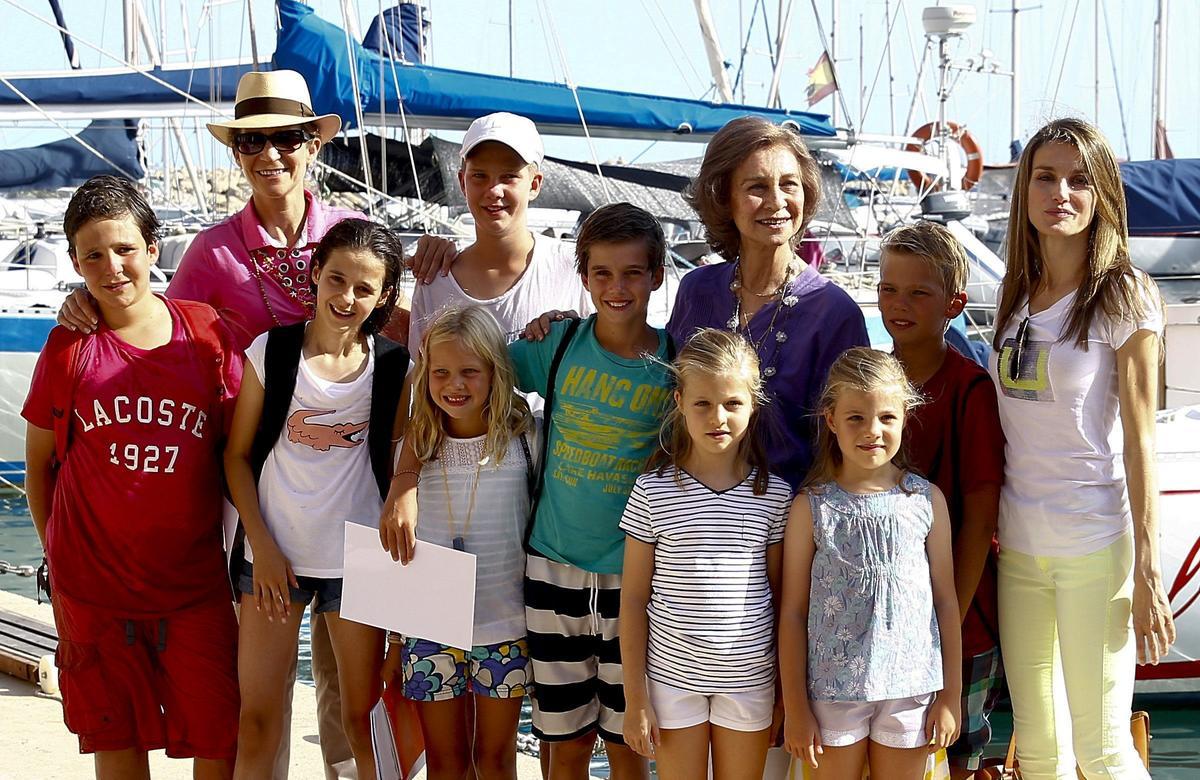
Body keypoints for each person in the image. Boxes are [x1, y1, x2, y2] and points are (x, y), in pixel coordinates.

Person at [56, 69, 383, 780]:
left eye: (287, 138)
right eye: (254, 141)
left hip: (350, 504)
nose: (271, 154)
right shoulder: (211, 255)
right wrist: (84, 307)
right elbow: (153, 331)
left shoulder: (354, 242)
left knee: (352, 702)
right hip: (257, 506)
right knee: (256, 701)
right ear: (238, 153)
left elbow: (407, 341)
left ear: (311, 146)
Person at [23, 175, 242, 779]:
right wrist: (56, 554)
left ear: (152, 247)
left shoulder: (205, 335)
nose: (111, 266)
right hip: (93, 592)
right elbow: (38, 464)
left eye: (124, 249)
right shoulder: (70, 345)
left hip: (193, 588)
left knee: (217, 741)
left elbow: (239, 449)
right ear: (74, 262)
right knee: (117, 747)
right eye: (92, 254)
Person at [988, 118, 1176, 778]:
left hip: (1095, 544)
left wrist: (1149, 566)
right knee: (1039, 749)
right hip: (1021, 548)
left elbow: (1142, 441)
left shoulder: (1123, 295)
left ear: (1101, 195)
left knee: (1101, 747)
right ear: (1025, 191)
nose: (1059, 192)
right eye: (1045, 177)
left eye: (1078, 180)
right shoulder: (1014, 294)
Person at [223, 219, 408, 780]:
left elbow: (410, 451)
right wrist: (262, 546)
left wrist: (405, 494)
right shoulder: (273, 353)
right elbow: (235, 457)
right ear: (315, 276)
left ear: (384, 297)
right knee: (257, 719)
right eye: (336, 279)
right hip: (272, 558)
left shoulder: (396, 365)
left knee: (361, 719)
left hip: (357, 564)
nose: (346, 297)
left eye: (364, 288)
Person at [779, 348, 962, 779]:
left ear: (904, 417)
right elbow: (792, 612)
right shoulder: (812, 506)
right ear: (831, 420)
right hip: (831, 692)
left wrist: (950, 695)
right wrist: (796, 708)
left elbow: (946, 602)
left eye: (886, 417)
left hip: (911, 689)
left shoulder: (925, 501)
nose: (872, 431)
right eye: (856, 417)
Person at [619, 328, 791, 779]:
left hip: (749, 680)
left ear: (753, 405)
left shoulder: (775, 496)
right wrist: (635, 699)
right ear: (679, 402)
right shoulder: (652, 491)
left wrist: (782, 692)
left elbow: (780, 600)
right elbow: (634, 600)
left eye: (733, 403)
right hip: (671, 683)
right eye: (703, 403)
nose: (718, 417)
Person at [667, 115, 869, 488]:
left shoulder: (834, 312)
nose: (777, 201)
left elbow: (848, 447)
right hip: (692, 518)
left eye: (789, 184)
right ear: (723, 197)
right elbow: (666, 395)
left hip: (788, 528)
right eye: (757, 186)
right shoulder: (696, 290)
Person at [383, 305, 536, 779]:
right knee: (444, 760)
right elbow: (396, 553)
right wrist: (393, 637)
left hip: (505, 627)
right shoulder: (413, 450)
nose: (456, 384)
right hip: (429, 629)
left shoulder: (527, 438)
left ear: (495, 372)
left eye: (471, 371)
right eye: (441, 372)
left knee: (495, 758)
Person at [877, 222, 1005, 779]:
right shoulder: (869, 380)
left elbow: (980, 518)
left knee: (956, 753)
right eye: (888, 289)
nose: (898, 304)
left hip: (961, 618)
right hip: (879, 617)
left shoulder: (971, 390)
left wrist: (945, 608)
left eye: (918, 292)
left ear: (954, 303)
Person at [406, 111, 592, 352]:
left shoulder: (573, 267)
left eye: (509, 177)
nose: (494, 190)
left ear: (534, 184)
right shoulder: (433, 280)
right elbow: (420, 379)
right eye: (479, 176)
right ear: (462, 183)